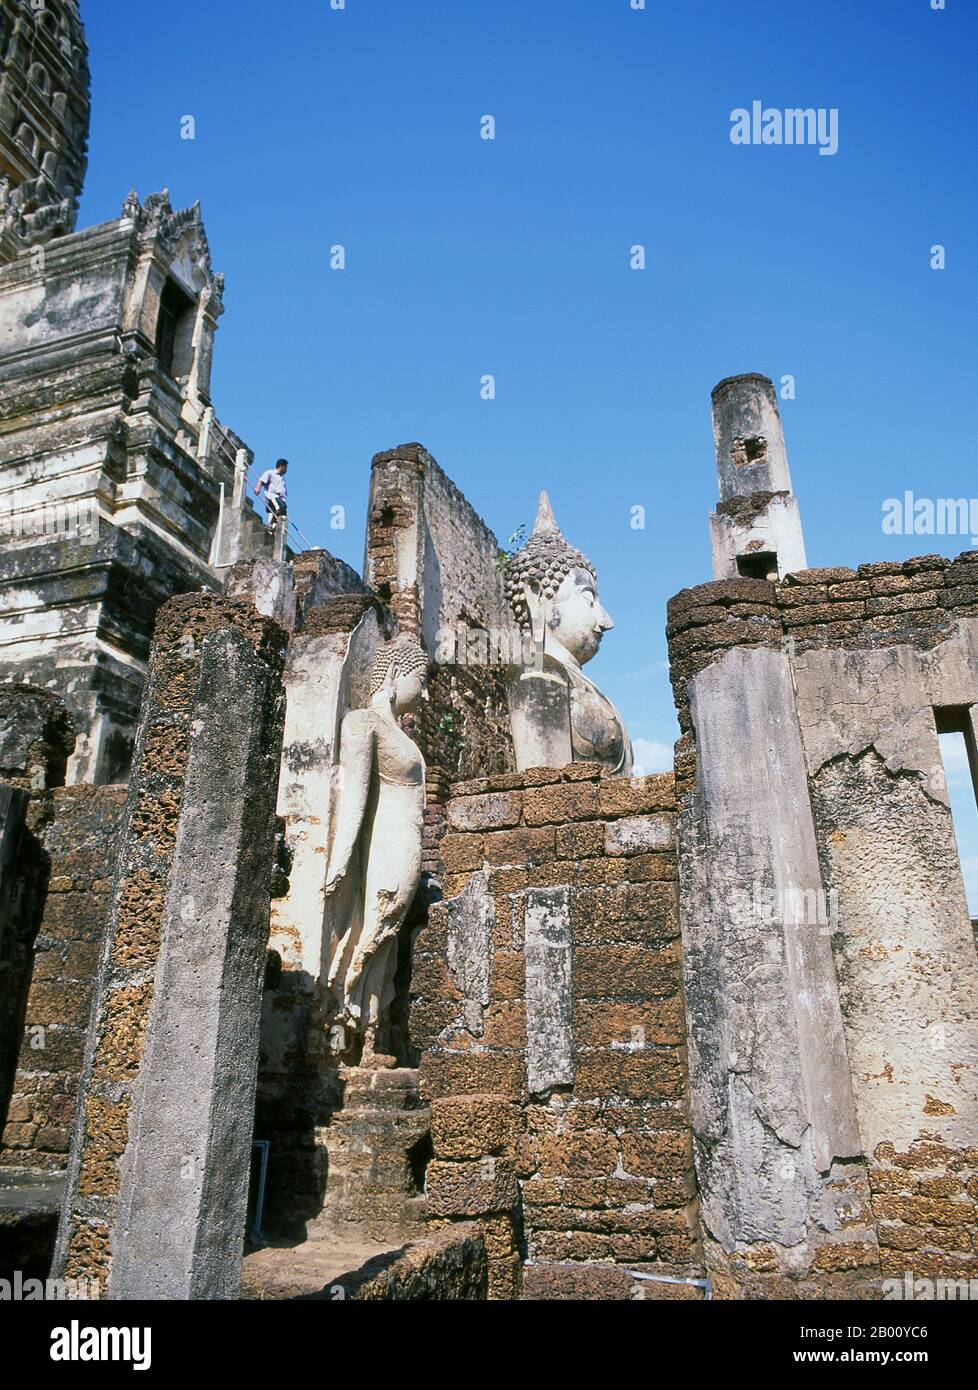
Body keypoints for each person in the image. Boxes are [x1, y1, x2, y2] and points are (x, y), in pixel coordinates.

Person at [254, 458, 288, 531]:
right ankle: (270, 524)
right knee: (281, 508)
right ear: (282, 466)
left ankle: (271, 527)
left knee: (281, 513)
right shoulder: (270, 473)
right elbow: (261, 480)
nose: (286, 469)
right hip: (272, 496)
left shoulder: (282, 478)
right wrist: (257, 488)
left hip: (280, 498)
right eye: (286, 467)